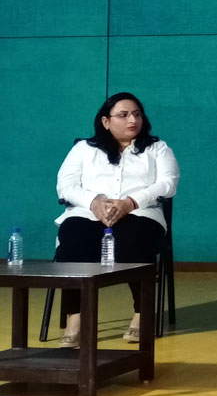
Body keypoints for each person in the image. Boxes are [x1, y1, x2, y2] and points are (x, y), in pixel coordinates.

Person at [55, 92, 180, 348]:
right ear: (106, 121)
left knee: (134, 238)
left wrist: (130, 202)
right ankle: (75, 318)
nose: (132, 120)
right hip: (89, 213)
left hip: (139, 213)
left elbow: (168, 183)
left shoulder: (157, 148)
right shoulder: (83, 149)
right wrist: (94, 202)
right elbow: (65, 186)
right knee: (73, 238)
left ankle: (142, 313)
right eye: (123, 115)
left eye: (137, 114)